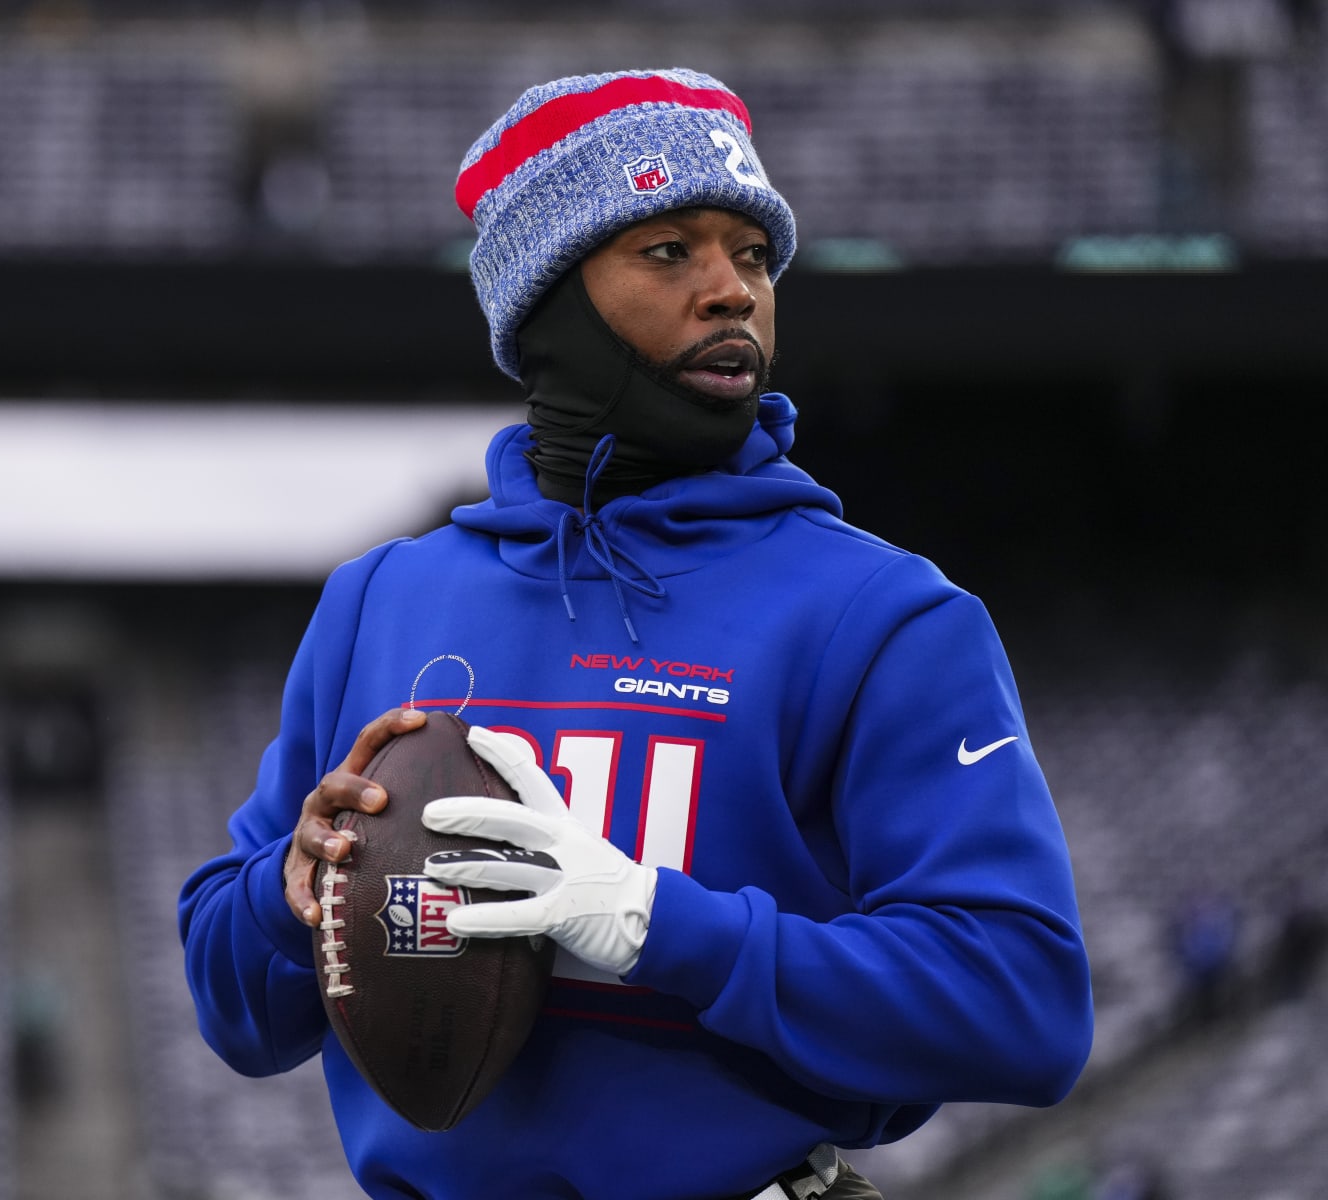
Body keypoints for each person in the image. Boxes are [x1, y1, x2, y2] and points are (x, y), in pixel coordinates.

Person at [179, 68, 1092, 1200]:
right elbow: (238, 1015)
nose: (732, 291)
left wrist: (663, 924)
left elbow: (1024, 1007)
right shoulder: (382, 597)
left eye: (753, 255)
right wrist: (291, 893)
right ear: (547, 300)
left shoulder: (886, 615)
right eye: (670, 251)